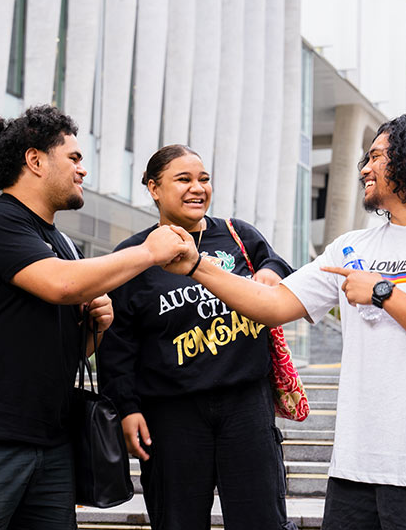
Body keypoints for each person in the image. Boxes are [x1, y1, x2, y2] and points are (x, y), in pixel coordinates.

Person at [165, 114, 406, 529]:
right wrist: (197, 265)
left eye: (376, 156)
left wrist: (385, 293)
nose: (364, 168)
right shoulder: (350, 247)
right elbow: (272, 304)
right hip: (353, 471)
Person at [0, 106, 189, 529]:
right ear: (35, 160)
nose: (83, 169)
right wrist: (149, 252)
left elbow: (69, 347)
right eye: (74, 158)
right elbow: (60, 285)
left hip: (50, 443)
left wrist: (97, 326)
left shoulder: (62, 241)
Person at [98, 145, 297, 530]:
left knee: (262, 520)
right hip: (171, 413)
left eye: (203, 179)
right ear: (154, 189)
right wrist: (127, 408)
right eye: (184, 179)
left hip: (246, 404)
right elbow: (117, 346)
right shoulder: (135, 255)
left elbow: (274, 262)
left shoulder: (238, 235)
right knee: (178, 520)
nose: (197, 188)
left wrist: (271, 272)